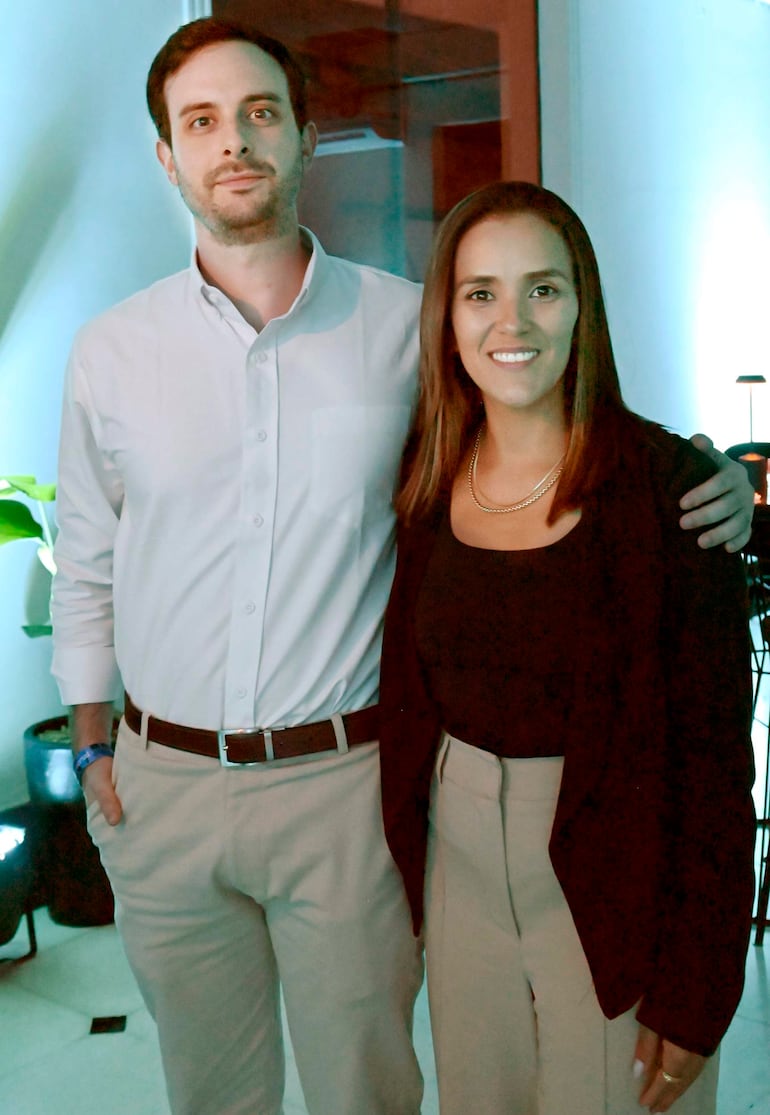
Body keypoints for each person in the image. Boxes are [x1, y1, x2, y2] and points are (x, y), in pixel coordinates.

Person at [50, 16, 752, 1115]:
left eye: (259, 113)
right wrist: (92, 748)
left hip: (342, 785)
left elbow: (546, 418)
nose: (233, 142)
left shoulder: (398, 328)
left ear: (305, 135)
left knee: (365, 1088)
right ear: (167, 155)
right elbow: (85, 552)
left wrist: (710, 479)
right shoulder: (111, 349)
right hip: (164, 786)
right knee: (210, 1091)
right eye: (201, 122)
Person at [378, 179, 757, 1115]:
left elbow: (716, 763)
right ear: (450, 318)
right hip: (458, 865)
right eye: (482, 293)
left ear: (583, 306)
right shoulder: (424, 477)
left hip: (617, 864)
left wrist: (700, 988)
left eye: (543, 289)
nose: (514, 321)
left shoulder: (670, 491)